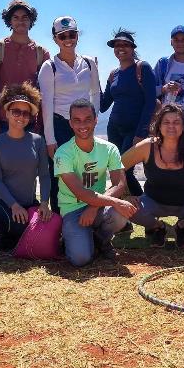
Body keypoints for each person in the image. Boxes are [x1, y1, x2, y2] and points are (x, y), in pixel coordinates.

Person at [54, 99, 138, 266]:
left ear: (95, 120)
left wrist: (94, 207)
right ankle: (78, 239)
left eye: (87, 119)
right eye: (76, 120)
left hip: (99, 207)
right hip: (73, 210)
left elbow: (120, 184)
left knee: (120, 213)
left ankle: (101, 240)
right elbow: (81, 193)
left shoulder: (109, 148)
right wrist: (112, 202)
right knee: (80, 259)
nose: (82, 125)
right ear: (70, 123)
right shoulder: (63, 153)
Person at [121, 103, 184, 248]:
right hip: (153, 202)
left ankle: (182, 226)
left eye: (176, 122)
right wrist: (126, 194)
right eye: (166, 122)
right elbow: (118, 166)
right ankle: (159, 227)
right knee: (127, 207)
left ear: (183, 126)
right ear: (158, 125)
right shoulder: (147, 146)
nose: (171, 126)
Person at [38, 16, 101, 213]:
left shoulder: (89, 63)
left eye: (72, 34)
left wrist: (92, 121)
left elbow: (96, 93)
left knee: (84, 171)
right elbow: (46, 104)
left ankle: (85, 216)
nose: (68, 39)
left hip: (83, 125)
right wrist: (50, 139)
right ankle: (59, 223)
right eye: (62, 36)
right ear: (55, 39)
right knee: (59, 175)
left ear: (77, 36)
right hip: (60, 126)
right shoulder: (50, 67)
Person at [0, 82, 52, 245]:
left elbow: (44, 175)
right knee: (21, 228)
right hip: (3, 203)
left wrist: (44, 203)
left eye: (26, 113)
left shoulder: (38, 141)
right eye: (16, 112)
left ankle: (6, 235)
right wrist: (14, 205)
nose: (21, 117)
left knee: (49, 228)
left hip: (29, 204)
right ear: (6, 113)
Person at [100, 29, 157, 197]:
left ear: (132, 48)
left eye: (125, 44)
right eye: (117, 45)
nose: (121, 48)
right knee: (118, 172)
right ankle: (128, 211)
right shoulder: (113, 74)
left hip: (134, 130)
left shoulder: (142, 68)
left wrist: (141, 133)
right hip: (114, 129)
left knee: (124, 170)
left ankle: (142, 207)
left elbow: (150, 103)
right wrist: (94, 79)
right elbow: (103, 105)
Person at [0, 0, 50, 139]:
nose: (20, 21)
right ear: (9, 20)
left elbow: (44, 93)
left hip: (31, 123)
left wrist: (40, 126)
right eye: (16, 17)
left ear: (31, 20)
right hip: (3, 123)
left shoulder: (41, 52)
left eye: (25, 17)